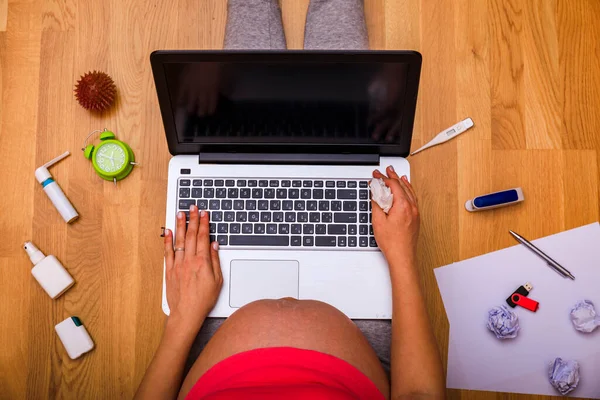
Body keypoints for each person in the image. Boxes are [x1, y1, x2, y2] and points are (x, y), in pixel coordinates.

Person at [136, 2, 444, 399]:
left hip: (209, 332)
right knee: (343, 88)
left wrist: (181, 322)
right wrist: (401, 258)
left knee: (250, 15)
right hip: (364, 347)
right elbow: (419, 394)